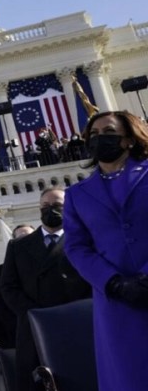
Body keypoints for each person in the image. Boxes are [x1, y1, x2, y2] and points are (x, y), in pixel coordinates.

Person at [62, 110, 148, 391]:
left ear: (129, 139)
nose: (100, 139)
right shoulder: (77, 194)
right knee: (129, 376)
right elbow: (76, 247)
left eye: (109, 132)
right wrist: (112, 282)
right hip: (118, 301)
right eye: (94, 135)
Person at [0, 186, 90, 391]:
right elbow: (8, 286)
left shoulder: (83, 239)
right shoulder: (17, 246)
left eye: (57, 205)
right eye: (45, 205)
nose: (51, 209)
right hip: (34, 325)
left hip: (75, 322)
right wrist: (32, 312)